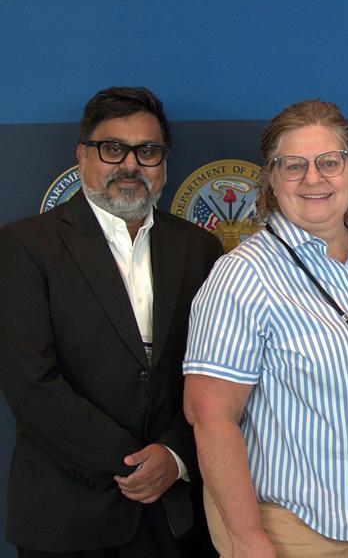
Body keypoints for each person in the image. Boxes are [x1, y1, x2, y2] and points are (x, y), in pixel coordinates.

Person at [183, 99, 348, 558]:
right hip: (297, 532)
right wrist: (246, 537)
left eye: (329, 161)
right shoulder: (243, 276)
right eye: (294, 165)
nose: (313, 178)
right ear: (271, 177)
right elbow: (210, 415)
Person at [0, 87, 222, 556]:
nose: (130, 165)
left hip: (177, 513)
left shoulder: (199, 249)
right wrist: (134, 465)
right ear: (82, 155)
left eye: (147, 151)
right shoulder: (26, 246)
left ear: (163, 161)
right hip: (68, 512)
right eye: (112, 148)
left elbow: (216, 372)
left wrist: (174, 456)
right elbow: (29, 381)